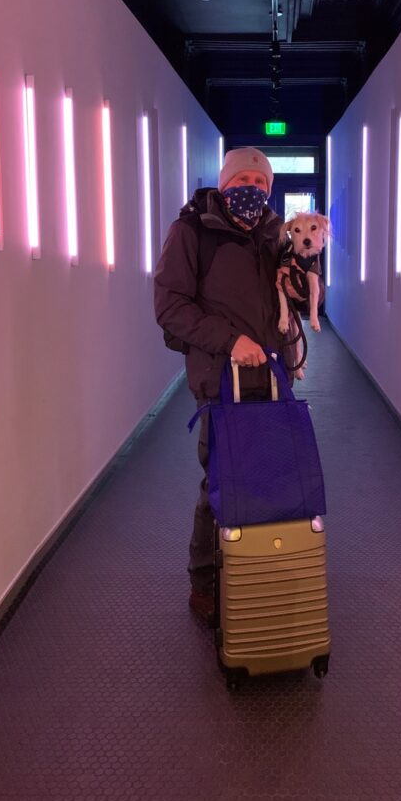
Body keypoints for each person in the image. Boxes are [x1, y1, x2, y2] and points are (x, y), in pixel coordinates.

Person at [153, 146, 293, 624]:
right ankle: (204, 582)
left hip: (272, 379)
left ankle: (256, 568)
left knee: (269, 479)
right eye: (243, 182)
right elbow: (170, 307)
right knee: (221, 482)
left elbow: (283, 302)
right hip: (220, 380)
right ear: (224, 184)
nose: (251, 191)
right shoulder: (192, 231)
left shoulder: (275, 235)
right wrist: (231, 341)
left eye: (261, 184)